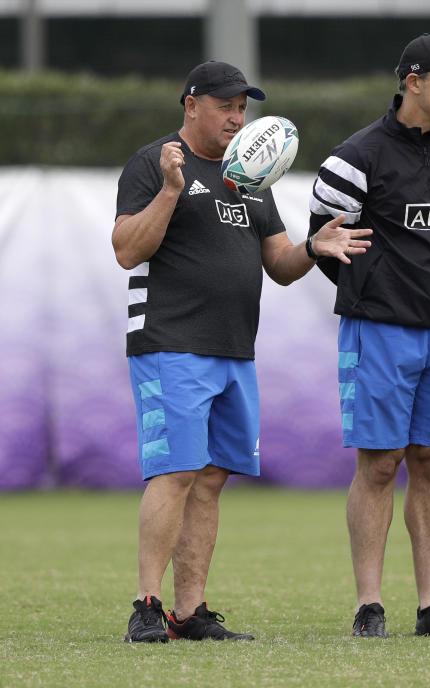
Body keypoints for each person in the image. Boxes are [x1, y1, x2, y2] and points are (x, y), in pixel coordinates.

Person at [113, 60, 371, 643]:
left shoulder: (250, 176)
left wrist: (316, 245)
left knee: (209, 480)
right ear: (191, 105)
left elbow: (279, 265)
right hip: (170, 343)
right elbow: (127, 250)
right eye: (226, 105)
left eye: (242, 107)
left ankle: (190, 611)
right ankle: (146, 605)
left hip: (234, 350)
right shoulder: (156, 163)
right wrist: (172, 192)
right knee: (175, 471)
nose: (237, 117)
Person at [307, 34, 430, 638]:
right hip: (379, 332)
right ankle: (369, 606)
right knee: (381, 464)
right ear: (413, 82)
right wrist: (386, 286)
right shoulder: (352, 158)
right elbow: (325, 244)